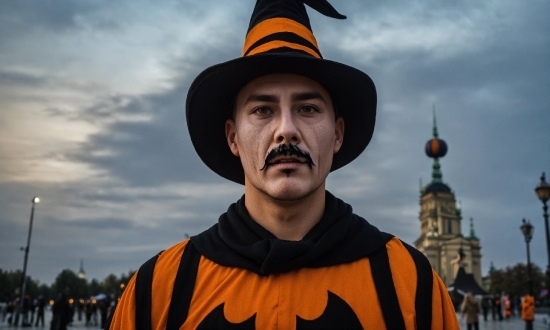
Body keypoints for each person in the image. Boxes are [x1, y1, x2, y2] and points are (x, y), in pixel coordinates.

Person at [107, 0, 459, 329]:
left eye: (308, 109)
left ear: (337, 134)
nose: (286, 130)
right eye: (263, 110)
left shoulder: (410, 284)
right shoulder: (159, 290)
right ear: (232, 138)